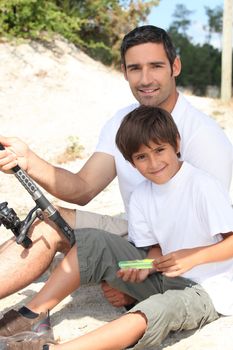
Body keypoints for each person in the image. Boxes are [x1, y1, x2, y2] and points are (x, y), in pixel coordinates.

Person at [0, 24, 232, 335]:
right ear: (124, 72)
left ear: (175, 67)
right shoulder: (122, 123)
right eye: (135, 68)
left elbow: (206, 240)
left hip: (171, 257)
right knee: (45, 223)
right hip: (134, 232)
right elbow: (83, 189)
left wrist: (139, 280)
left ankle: (33, 314)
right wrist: (30, 162)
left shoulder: (205, 138)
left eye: (156, 66)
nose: (145, 79)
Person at [2, 105, 233, 350]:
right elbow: (154, 249)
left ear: (176, 143)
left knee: (153, 310)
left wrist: (193, 257)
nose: (154, 163)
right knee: (93, 240)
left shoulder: (202, 185)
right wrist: (144, 267)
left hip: (209, 290)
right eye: (142, 157)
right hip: (167, 276)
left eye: (159, 150)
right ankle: (31, 315)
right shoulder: (142, 195)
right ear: (131, 163)